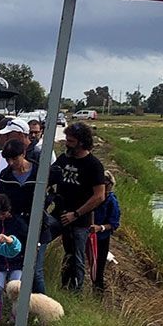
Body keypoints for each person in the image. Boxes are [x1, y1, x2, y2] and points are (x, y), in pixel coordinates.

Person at [0, 139, 61, 294]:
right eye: (7, 160)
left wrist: (50, 200)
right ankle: (14, 310)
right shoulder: (6, 175)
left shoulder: (40, 171)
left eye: (14, 158)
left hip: (37, 226)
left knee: (35, 271)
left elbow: (57, 187)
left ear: (23, 154)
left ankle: (40, 310)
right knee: (15, 266)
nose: (11, 163)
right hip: (16, 227)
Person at [52, 122, 107, 292]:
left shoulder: (93, 165)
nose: (67, 144)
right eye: (67, 140)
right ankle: (62, 285)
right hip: (58, 214)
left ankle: (75, 292)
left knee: (76, 256)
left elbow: (99, 196)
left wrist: (75, 214)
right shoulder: (63, 159)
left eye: (71, 141)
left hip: (79, 220)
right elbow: (48, 180)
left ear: (82, 142)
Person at [0, 194, 28, 285]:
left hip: (17, 262)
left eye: (3, 214)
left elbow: (25, 241)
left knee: (16, 288)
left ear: (9, 209)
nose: (0, 217)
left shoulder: (18, 222)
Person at [88, 171, 121, 292]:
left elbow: (114, 224)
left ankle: (97, 292)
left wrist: (100, 227)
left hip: (101, 238)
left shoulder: (111, 201)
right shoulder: (92, 196)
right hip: (85, 234)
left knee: (99, 266)